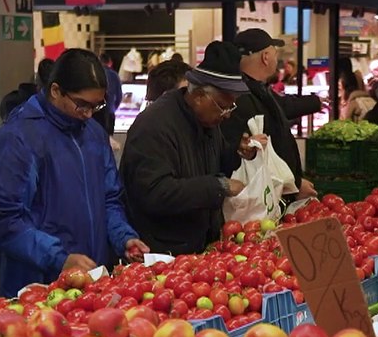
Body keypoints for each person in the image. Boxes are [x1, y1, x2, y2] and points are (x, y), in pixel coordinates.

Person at [0, 49, 148, 296]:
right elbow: (2, 217)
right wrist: (59, 258)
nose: (89, 114)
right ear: (56, 91)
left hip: (91, 280)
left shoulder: (93, 134)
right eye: (82, 105)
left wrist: (123, 237)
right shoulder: (19, 138)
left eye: (96, 106)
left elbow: (110, 199)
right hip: (37, 286)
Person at [121, 42, 264, 255]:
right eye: (223, 106)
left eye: (231, 106)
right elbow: (155, 193)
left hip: (198, 248)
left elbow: (215, 161)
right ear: (199, 96)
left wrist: (238, 151)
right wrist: (218, 187)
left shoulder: (207, 120)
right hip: (162, 251)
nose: (227, 114)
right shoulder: (153, 126)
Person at [224, 29, 316, 199]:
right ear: (265, 57)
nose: (277, 59)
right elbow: (263, 151)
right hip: (259, 199)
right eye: (275, 53)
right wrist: (293, 185)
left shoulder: (254, 91)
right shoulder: (244, 96)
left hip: (269, 193)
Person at [95, 53, 123, 135]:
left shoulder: (94, 74)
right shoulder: (114, 75)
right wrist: (113, 108)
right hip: (110, 112)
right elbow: (119, 96)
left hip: (96, 113)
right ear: (110, 62)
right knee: (109, 139)